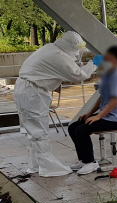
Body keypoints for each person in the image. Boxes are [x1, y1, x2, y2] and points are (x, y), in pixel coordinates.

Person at [14, 31, 96, 177]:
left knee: (32, 131)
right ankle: (48, 167)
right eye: (76, 50)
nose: (77, 54)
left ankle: (36, 165)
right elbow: (79, 75)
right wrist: (94, 64)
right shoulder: (58, 56)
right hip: (33, 91)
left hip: (25, 88)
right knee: (39, 130)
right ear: (71, 46)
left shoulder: (50, 48)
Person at [68, 46, 117, 175]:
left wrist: (98, 116)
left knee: (81, 130)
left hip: (115, 119)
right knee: (73, 126)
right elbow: (101, 98)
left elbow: (115, 100)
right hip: (106, 116)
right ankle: (84, 160)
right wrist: (90, 114)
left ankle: (91, 163)